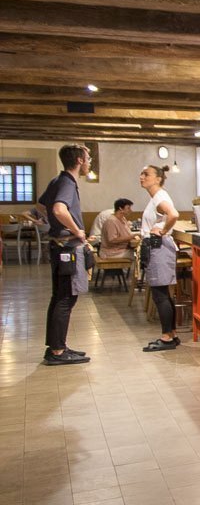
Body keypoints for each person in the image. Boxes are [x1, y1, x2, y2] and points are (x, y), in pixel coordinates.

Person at [37, 143, 92, 365]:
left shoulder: (57, 180)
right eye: (88, 158)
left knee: (59, 297)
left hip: (58, 246)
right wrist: (75, 229)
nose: (90, 162)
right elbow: (59, 209)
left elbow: (42, 206)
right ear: (79, 160)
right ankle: (58, 351)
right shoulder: (67, 183)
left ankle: (56, 347)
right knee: (66, 298)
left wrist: (54, 224)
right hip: (67, 248)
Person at [138, 165, 181, 352]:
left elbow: (174, 214)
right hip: (156, 247)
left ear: (158, 179)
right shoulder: (156, 197)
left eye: (146, 174)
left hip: (158, 247)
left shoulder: (160, 197)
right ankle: (171, 333)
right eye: (141, 174)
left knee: (160, 294)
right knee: (162, 293)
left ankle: (166, 337)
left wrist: (162, 231)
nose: (141, 177)